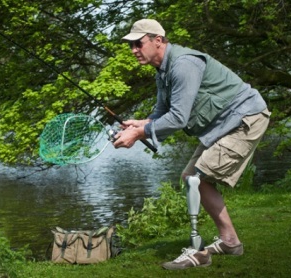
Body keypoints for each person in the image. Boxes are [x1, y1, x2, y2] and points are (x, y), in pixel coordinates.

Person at [113, 19, 270, 270]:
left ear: (158, 40)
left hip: (244, 118)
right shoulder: (163, 72)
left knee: (197, 179)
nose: (133, 50)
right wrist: (139, 126)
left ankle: (199, 252)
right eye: (131, 45)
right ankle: (230, 241)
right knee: (190, 177)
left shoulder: (184, 65)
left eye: (138, 43)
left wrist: (140, 133)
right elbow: (162, 113)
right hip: (224, 124)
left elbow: (178, 118)